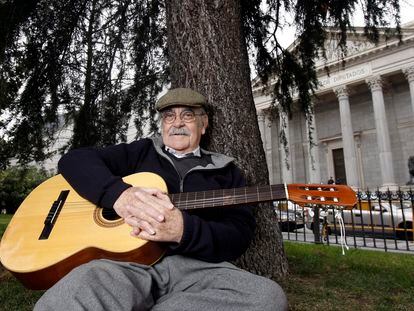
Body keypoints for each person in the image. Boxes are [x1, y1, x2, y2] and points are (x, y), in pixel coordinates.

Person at [34, 87, 288, 311]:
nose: (177, 123)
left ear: (204, 123)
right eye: (169, 116)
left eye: (187, 116)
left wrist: (184, 231)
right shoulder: (141, 151)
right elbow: (75, 160)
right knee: (73, 293)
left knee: (266, 298)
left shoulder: (226, 171)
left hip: (197, 269)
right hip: (123, 263)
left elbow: (238, 236)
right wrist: (120, 195)